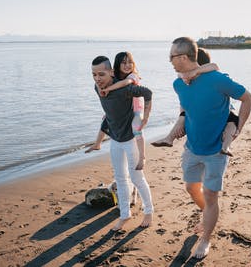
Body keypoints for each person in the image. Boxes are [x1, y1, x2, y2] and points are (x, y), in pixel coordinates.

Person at [169, 37, 251, 259]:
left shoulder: (217, 80)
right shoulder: (178, 84)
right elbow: (187, 109)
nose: (170, 61)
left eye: (172, 57)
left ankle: (206, 238)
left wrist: (238, 129)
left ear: (184, 57)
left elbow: (248, 98)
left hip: (216, 151)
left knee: (211, 195)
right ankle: (206, 214)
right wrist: (179, 124)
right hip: (192, 148)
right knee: (190, 188)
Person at [90, 55, 154, 231]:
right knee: (120, 178)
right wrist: (99, 141)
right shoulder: (97, 88)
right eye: (94, 75)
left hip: (131, 140)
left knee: (136, 178)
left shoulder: (125, 89)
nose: (97, 79)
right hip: (115, 140)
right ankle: (125, 214)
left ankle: (149, 211)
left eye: (101, 74)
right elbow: (109, 113)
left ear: (111, 72)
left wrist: (146, 116)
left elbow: (147, 93)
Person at [152, 48, 239, 157]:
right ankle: (170, 138)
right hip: (197, 112)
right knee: (183, 117)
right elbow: (183, 101)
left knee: (233, 120)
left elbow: (214, 66)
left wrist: (193, 72)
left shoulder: (212, 74)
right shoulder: (187, 79)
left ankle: (225, 146)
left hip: (220, 110)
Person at [86, 52, 147, 170]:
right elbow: (102, 80)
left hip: (137, 106)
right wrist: (99, 86)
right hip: (126, 106)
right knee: (106, 119)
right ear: (117, 66)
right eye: (123, 63)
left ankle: (142, 156)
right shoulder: (117, 77)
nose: (127, 65)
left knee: (136, 125)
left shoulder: (132, 76)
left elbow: (124, 84)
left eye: (130, 62)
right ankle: (98, 144)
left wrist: (108, 88)